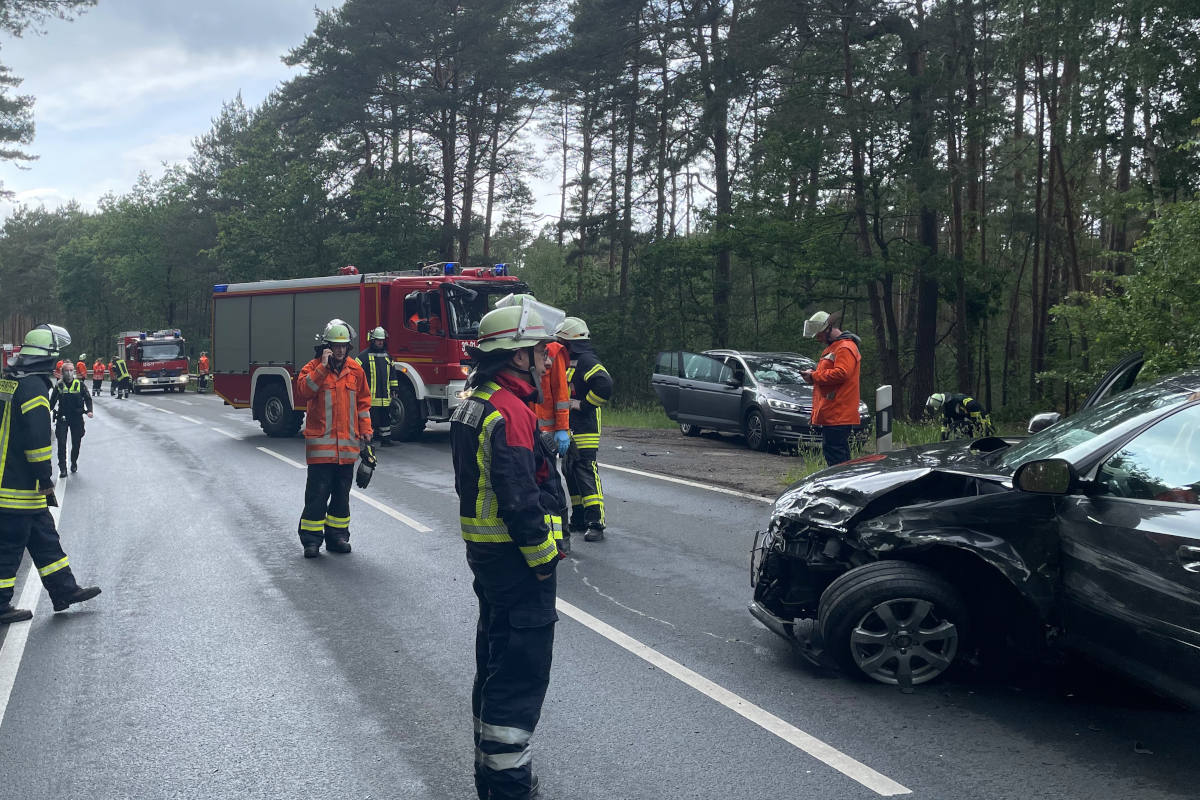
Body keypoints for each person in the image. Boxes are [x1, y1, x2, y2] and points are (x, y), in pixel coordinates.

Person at [450, 304, 564, 800]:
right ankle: (510, 788)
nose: (547, 360)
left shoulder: (475, 401)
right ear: (517, 357)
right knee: (518, 678)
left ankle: (492, 777)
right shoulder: (510, 411)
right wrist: (544, 560)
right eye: (540, 351)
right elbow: (519, 497)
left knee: (494, 667)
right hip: (518, 566)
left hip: (490, 560)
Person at [0, 323, 102, 626]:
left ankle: (64, 590)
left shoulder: (11, 381)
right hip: (17, 485)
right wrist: (45, 479)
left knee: (45, 538)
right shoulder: (34, 388)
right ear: (48, 357)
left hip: (13, 478)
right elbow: (37, 440)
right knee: (9, 545)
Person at [295, 319, 373, 558]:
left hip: (347, 450)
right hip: (321, 451)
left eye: (344, 346)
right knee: (316, 497)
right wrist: (322, 368)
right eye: (336, 346)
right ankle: (311, 541)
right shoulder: (312, 368)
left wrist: (366, 431)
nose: (340, 350)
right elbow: (304, 391)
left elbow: (363, 404)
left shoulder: (356, 370)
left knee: (341, 497)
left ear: (348, 347)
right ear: (327, 347)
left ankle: (337, 537)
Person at [556, 316, 613, 543]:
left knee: (585, 471)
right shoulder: (570, 361)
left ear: (568, 341)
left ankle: (596, 523)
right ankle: (579, 517)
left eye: (560, 341)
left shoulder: (587, 360)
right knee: (569, 470)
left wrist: (583, 404)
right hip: (569, 427)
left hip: (585, 428)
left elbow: (605, 384)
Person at [800, 310, 862, 467]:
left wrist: (814, 376)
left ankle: (842, 482)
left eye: (819, 334)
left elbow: (842, 373)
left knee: (836, 458)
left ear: (828, 329)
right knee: (838, 455)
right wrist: (813, 376)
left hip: (839, 412)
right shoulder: (836, 347)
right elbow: (830, 375)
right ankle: (846, 481)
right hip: (833, 412)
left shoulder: (844, 347)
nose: (818, 338)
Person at [355, 327, 397, 446]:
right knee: (371, 420)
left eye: (382, 340)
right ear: (372, 340)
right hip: (370, 398)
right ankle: (369, 441)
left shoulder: (388, 357)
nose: (380, 342)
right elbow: (354, 373)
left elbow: (392, 374)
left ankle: (386, 440)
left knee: (385, 420)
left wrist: (394, 388)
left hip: (385, 397)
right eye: (378, 340)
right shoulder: (363, 357)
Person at [50, 364, 93, 477]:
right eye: (66, 370)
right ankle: (63, 468)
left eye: (71, 370)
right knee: (61, 444)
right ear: (62, 372)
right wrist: (45, 411)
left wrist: (89, 410)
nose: (69, 373)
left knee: (76, 443)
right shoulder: (59, 385)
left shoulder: (80, 384)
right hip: (62, 417)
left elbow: (88, 399)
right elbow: (52, 402)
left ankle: (74, 462)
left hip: (76, 417)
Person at [926, 392, 995, 440]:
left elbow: (973, 405)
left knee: (985, 434)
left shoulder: (959, 399)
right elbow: (945, 423)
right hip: (965, 423)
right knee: (958, 430)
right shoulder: (946, 407)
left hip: (979, 417)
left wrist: (975, 420)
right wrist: (943, 438)